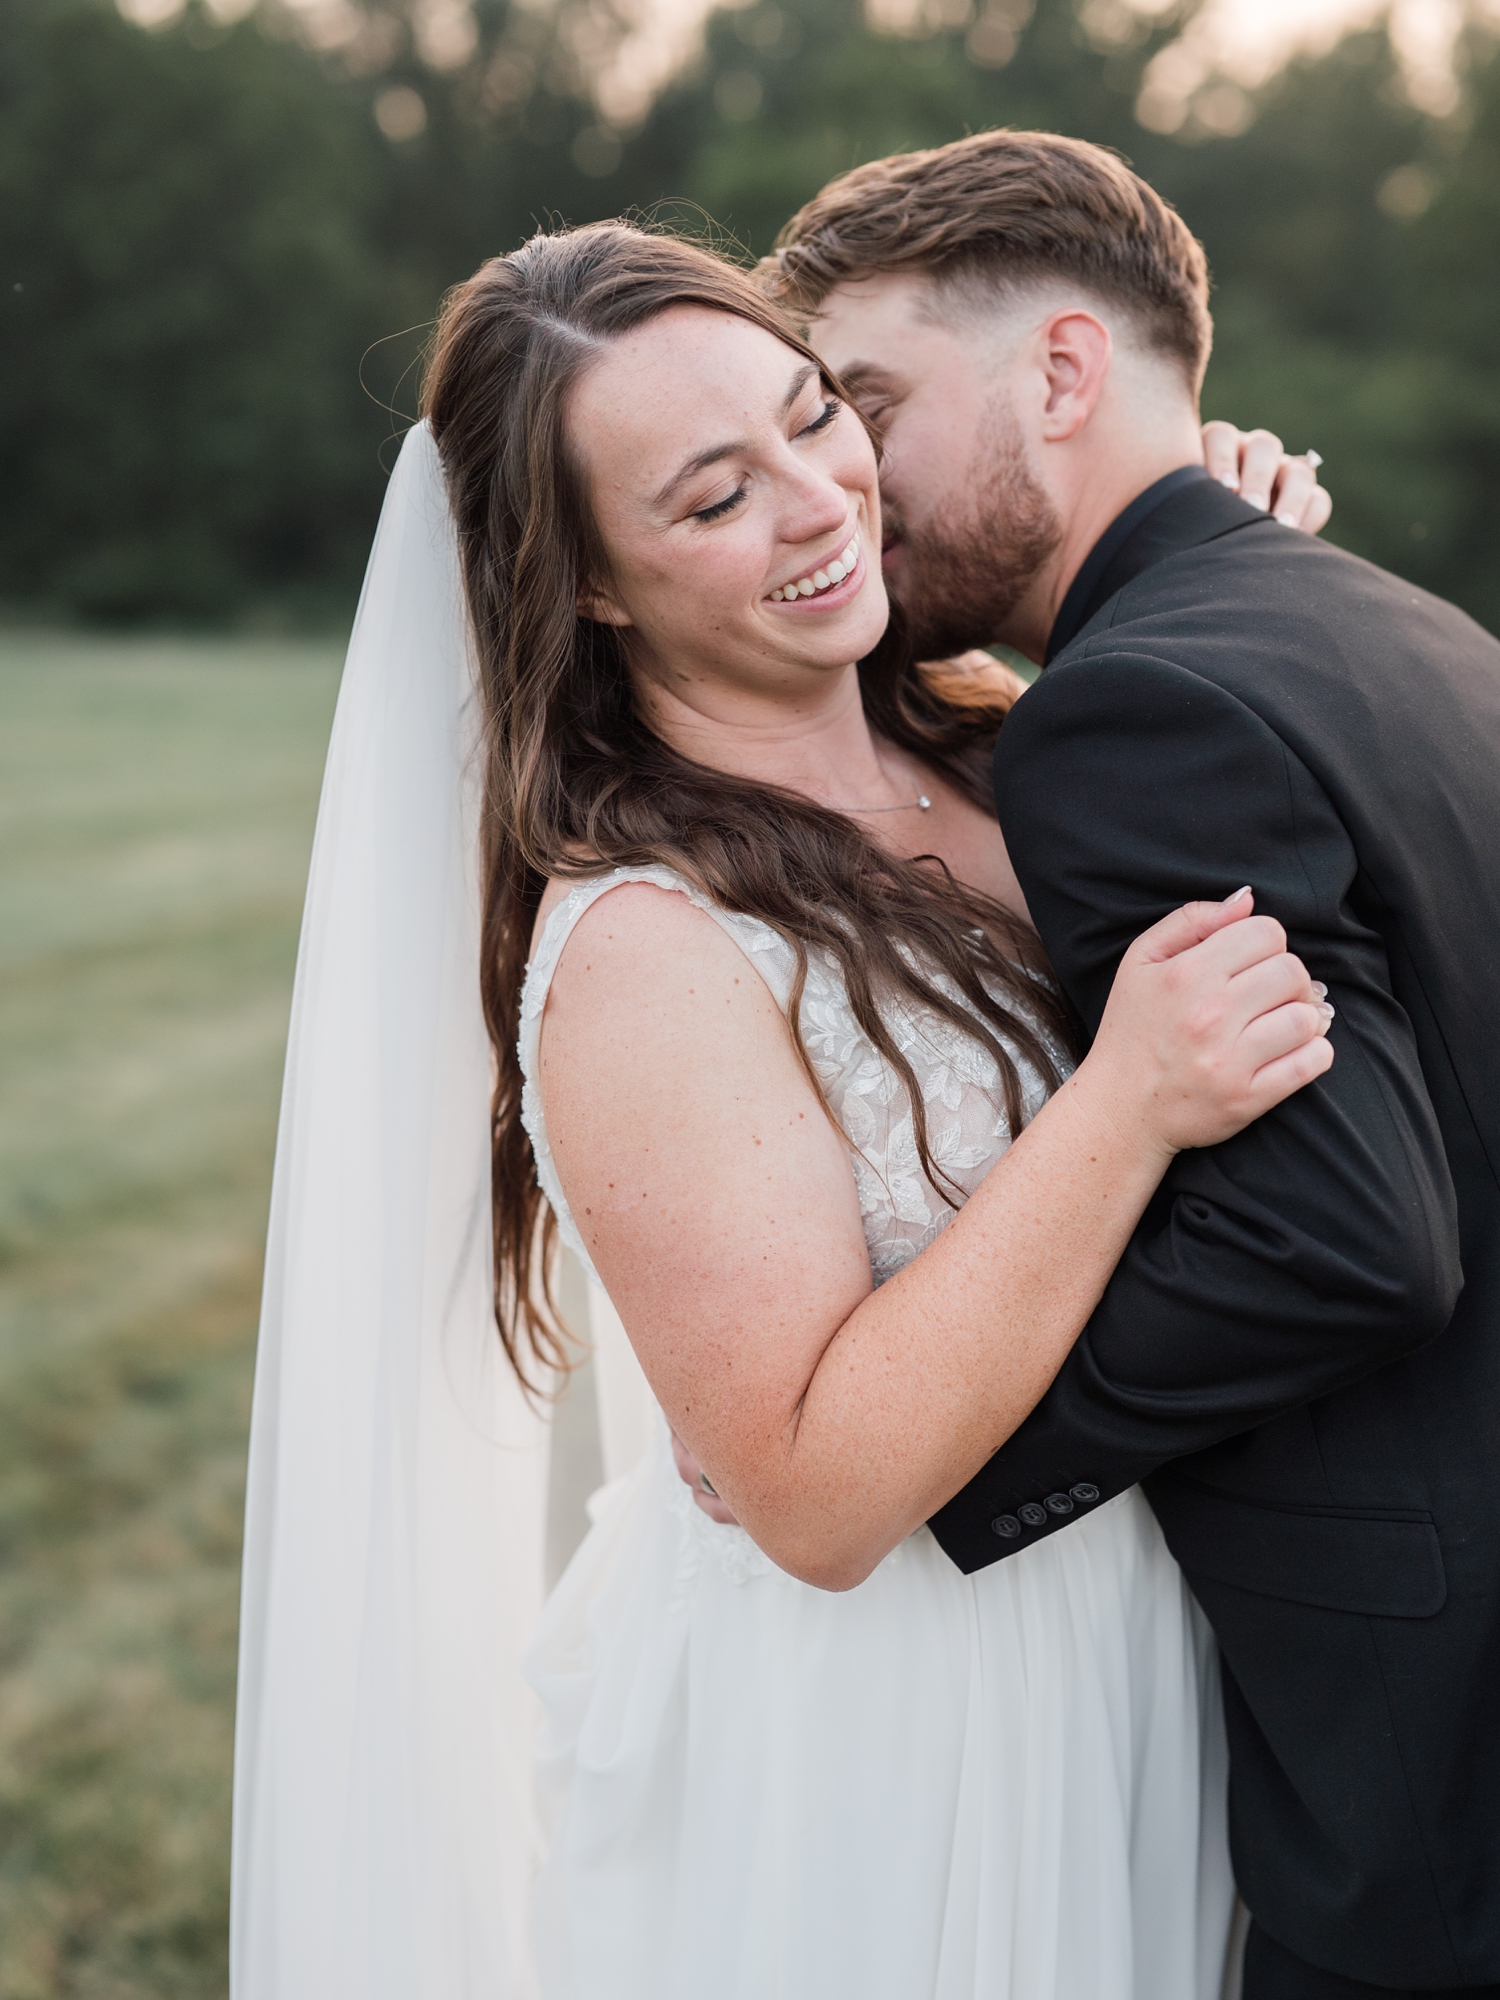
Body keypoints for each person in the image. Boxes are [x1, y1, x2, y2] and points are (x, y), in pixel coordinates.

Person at [228, 219, 1329, 2000]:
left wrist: (1228, 578)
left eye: (819, 415)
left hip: (1156, 1629)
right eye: (712, 497)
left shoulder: (1003, 740)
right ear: (590, 585)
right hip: (909, 1730)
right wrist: (1124, 1104)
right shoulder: (648, 949)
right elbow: (816, 1498)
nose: (821, 503)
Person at [760, 129, 1500, 2000]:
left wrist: (927, 1441)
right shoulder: (1410, 629)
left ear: (1064, 374)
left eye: (866, 402)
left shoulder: (1127, 707)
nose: (845, 475)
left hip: (1423, 1731)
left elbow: (1337, 1236)